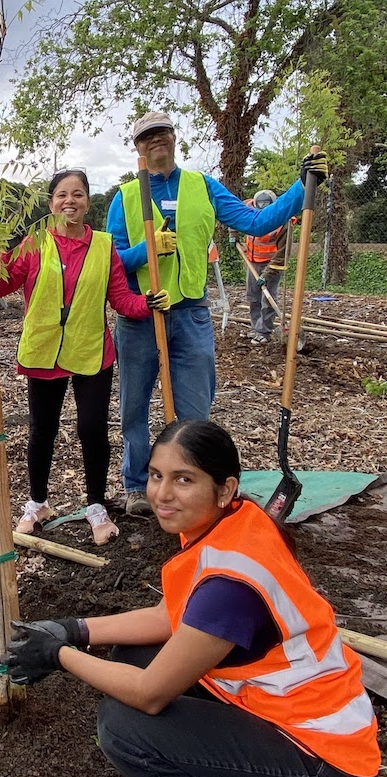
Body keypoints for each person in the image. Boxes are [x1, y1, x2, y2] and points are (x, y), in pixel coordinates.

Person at [2, 419, 380, 777]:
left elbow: (150, 694)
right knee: (134, 656)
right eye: (155, 475)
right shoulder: (234, 521)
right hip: (281, 708)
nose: (162, 494)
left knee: (122, 727)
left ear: (224, 489)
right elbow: (169, 617)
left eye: (184, 480)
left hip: (327, 767)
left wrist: (58, 655)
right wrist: (73, 629)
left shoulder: (230, 588)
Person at [106, 111, 328, 516]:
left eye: (162, 133)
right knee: (133, 406)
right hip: (140, 316)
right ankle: (138, 485)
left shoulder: (203, 187)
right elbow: (114, 262)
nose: (156, 141)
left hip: (191, 314)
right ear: (137, 147)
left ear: (174, 138)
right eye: (147, 137)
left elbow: (257, 222)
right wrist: (148, 249)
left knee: (196, 408)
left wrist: (303, 185)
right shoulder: (123, 198)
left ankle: (195, 484)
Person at [0, 169, 170, 545]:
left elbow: (120, 298)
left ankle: (95, 506)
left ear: (88, 202)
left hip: (91, 350)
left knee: (92, 428)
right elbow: (0, 284)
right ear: (50, 202)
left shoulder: (105, 247)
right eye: (61, 195)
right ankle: (37, 503)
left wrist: (147, 304)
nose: (69, 201)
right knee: (42, 431)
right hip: (44, 351)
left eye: (77, 194)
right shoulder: (34, 243)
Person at [239, 190, 294, 344]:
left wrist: (267, 274)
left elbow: (283, 253)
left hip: (272, 264)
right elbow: (234, 217)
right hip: (252, 261)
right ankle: (256, 328)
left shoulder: (283, 222)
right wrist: (232, 234)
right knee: (253, 297)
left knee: (268, 299)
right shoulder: (247, 209)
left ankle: (264, 332)